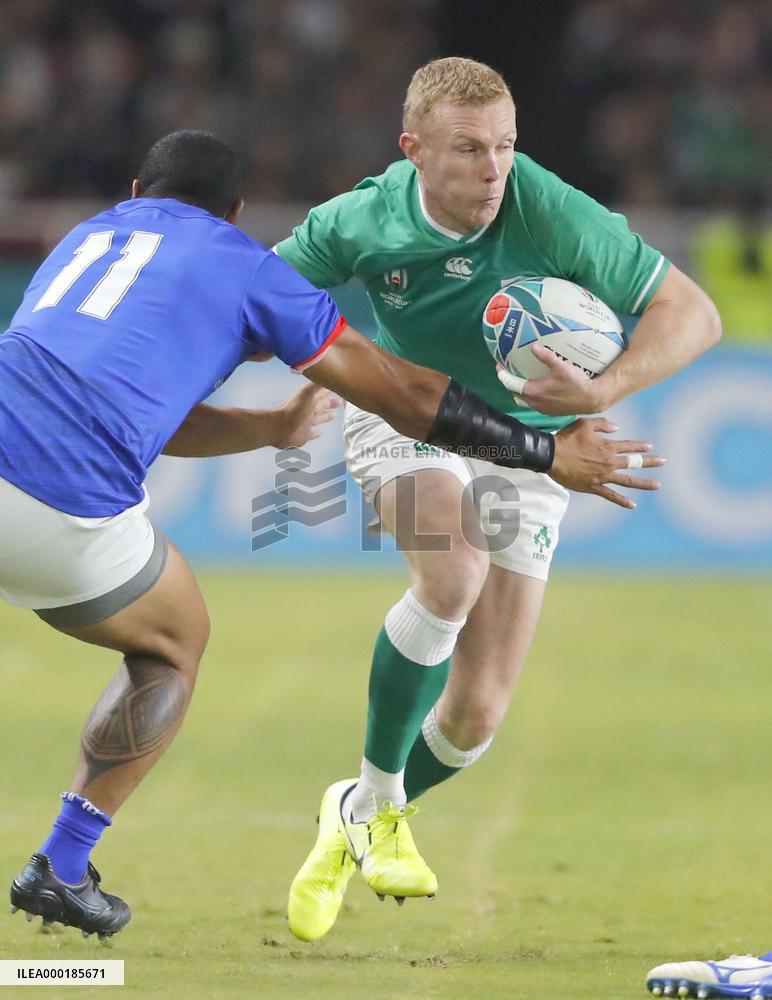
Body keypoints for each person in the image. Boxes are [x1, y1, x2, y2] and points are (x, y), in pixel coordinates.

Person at [2, 129, 653, 940]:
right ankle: (63, 864)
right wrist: (547, 451)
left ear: (136, 191)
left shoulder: (85, 237)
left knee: (472, 682)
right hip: (60, 495)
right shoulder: (248, 266)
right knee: (173, 642)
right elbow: (402, 393)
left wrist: (271, 428)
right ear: (238, 213)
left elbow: (127, 404)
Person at [276, 57, 721, 942]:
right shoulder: (361, 219)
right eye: (470, 149)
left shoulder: (543, 205)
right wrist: (300, 380)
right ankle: (379, 806)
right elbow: (255, 297)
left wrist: (605, 389)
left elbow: (692, 312)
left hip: (536, 448)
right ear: (413, 150)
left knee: (475, 718)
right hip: (408, 411)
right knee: (453, 571)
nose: (493, 170)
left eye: (506, 148)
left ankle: (361, 809)